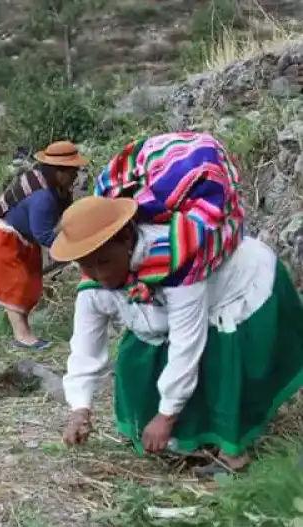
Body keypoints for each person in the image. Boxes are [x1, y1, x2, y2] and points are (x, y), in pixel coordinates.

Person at [55, 132, 303, 477]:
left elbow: (188, 342)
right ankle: (188, 436)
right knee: (137, 360)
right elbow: (85, 345)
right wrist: (79, 407)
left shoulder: (177, 258)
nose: (97, 273)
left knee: (221, 361)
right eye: (86, 265)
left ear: (127, 240)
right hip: (169, 308)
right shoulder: (95, 284)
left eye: (103, 262)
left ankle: (231, 453)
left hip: (239, 287)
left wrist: (166, 414)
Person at [0, 140, 88, 350]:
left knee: (30, 284)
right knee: (16, 285)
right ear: (58, 172)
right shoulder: (42, 197)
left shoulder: (55, 190)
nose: (76, 176)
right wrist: (76, 251)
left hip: (20, 240)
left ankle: (22, 332)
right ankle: (23, 337)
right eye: (72, 171)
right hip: (1, 239)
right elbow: (44, 234)